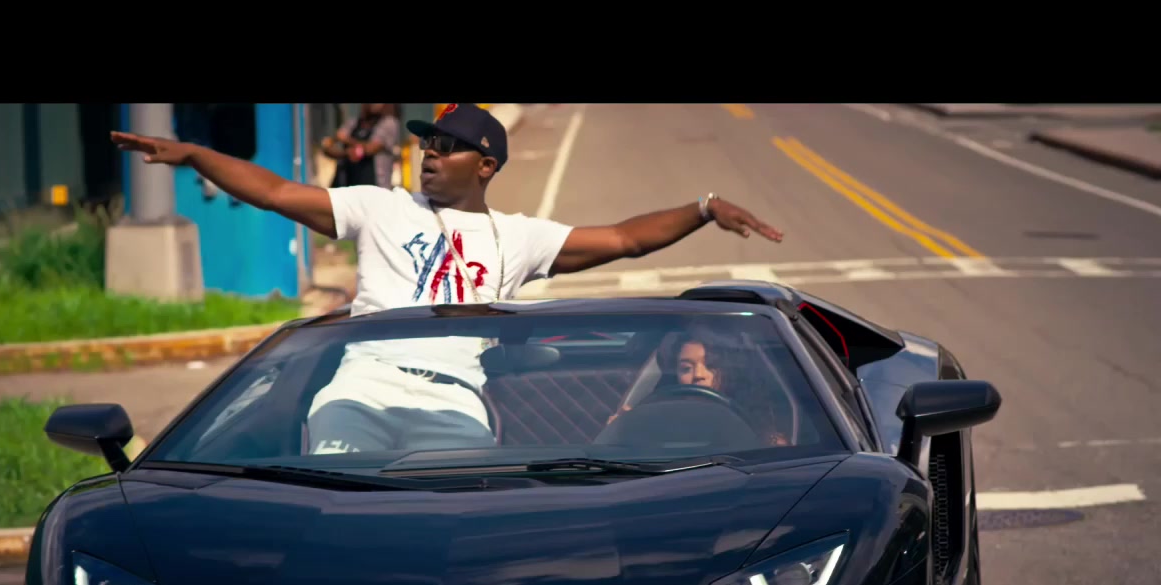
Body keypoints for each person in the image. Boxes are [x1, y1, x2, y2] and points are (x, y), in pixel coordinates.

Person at [111, 103, 784, 455]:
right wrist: (195, 154)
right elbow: (276, 193)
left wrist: (702, 209)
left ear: (485, 165)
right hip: (360, 392)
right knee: (346, 518)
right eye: (426, 143)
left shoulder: (516, 238)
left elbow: (625, 239)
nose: (428, 154)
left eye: (446, 146)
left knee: (447, 530)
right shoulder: (380, 206)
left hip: (455, 406)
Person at [609, 326, 791, 446]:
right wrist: (621, 431)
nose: (698, 375)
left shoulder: (757, 429)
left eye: (711, 365)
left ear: (730, 371)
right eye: (686, 368)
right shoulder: (656, 422)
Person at [321, 103, 401, 189]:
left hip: (375, 189)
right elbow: (328, 147)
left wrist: (347, 140)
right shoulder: (352, 123)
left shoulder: (389, 124)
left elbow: (371, 149)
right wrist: (345, 153)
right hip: (347, 187)